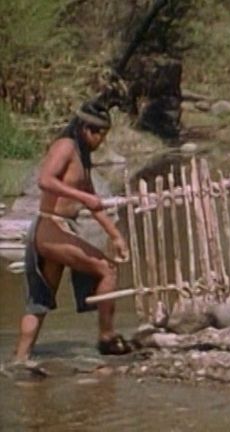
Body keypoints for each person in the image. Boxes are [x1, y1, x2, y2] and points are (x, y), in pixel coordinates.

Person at [13, 101, 131, 361]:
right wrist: (83, 197)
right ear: (86, 129)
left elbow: (93, 203)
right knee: (107, 270)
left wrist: (115, 236)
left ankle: (20, 359)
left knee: (40, 302)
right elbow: (45, 180)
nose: (101, 140)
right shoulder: (65, 146)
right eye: (99, 134)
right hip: (50, 226)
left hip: (61, 228)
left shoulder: (82, 157)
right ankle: (106, 337)